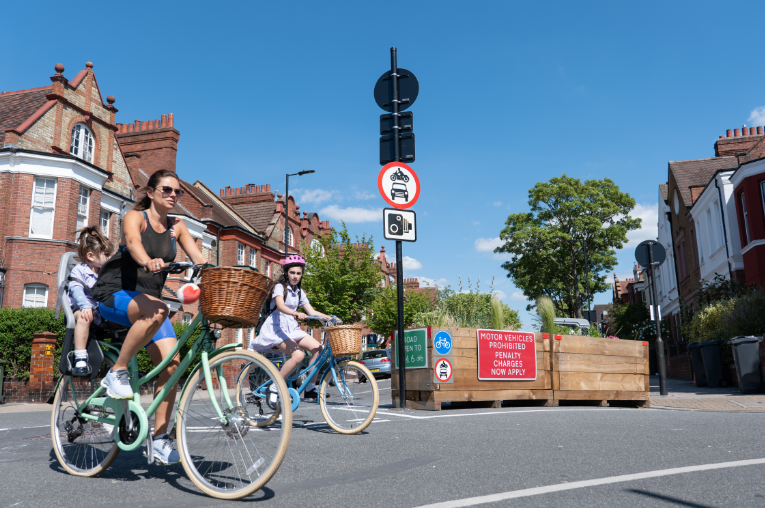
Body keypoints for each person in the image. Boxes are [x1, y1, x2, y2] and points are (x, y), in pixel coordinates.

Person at [92, 169, 207, 465]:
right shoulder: (136, 217)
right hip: (115, 294)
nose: (173, 195)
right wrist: (148, 261)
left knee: (172, 367)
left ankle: (159, 439)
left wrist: (216, 273)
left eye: (177, 192)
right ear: (152, 193)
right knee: (157, 310)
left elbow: (199, 259)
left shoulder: (176, 226)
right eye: (167, 190)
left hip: (151, 303)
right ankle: (116, 372)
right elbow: (133, 243)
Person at [250, 255, 332, 400]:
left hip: (291, 329)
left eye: (298, 273)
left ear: (302, 274)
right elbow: (280, 306)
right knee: (299, 355)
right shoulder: (279, 287)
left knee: (318, 349)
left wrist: (329, 317)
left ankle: (310, 387)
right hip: (276, 328)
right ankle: (274, 387)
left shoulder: (299, 292)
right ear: (286, 272)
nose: (295, 276)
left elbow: (311, 312)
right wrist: (295, 312)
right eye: (292, 272)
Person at [68, 226, 113, 376]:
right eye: (106, 254)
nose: (110, 257)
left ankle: (122, 363)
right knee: (84, 317)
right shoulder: (80, 270)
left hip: (100, 311)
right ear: (91, 256)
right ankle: (80, 357)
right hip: (80, 309)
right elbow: (76, 289)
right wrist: (85, 306)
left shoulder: (106, 273)